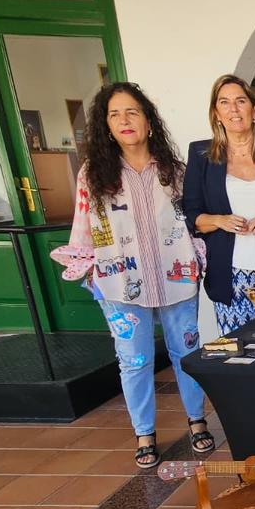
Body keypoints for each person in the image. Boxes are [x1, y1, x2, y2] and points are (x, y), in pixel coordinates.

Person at [50, 82, 213, 468]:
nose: (124, 120)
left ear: (149, 121)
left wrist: (200, 261)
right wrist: (90, 270)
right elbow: (83, 226)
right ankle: (144, 431)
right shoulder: (94, 174)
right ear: (106, 126)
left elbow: (191, 224)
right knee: (134, 360)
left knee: (187, 353)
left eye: (132, 112)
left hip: (178, 279)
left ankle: (197, 419)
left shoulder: (174, 171)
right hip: (119, 284)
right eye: (114, 114)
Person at [183, 74, 255, 335]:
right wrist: (218, 220)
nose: (233, 109)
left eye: (240, 101)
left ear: (254, 109)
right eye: (224, 102)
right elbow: (190, 215)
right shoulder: (201, 155)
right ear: (216, 113)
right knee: (237, 357)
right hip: (230, 276)